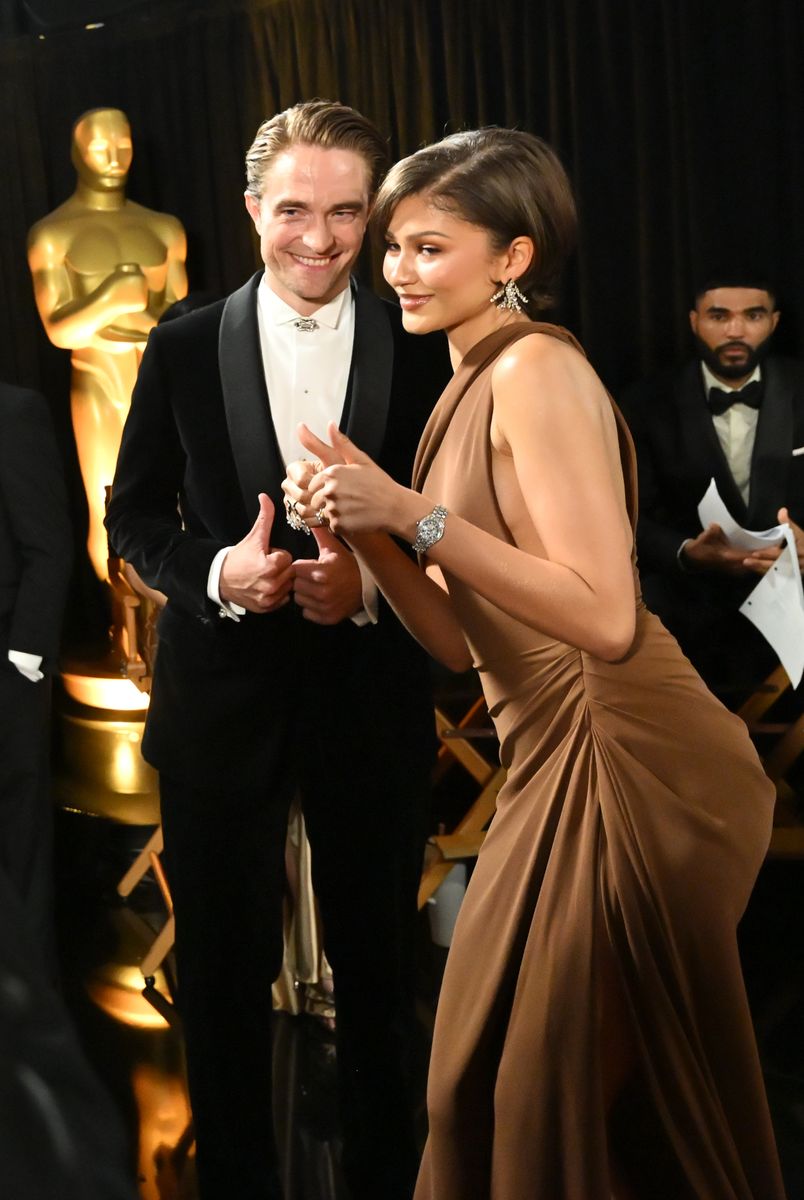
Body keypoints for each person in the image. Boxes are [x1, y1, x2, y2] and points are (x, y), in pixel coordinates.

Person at [284, 129, 786, 1198]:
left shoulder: (538, 371)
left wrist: (408, 512)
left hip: (635, 766)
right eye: (395, 246)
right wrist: (365, 525)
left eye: (429, 248)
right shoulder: (467, 380)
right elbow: (462, 642)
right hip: (547, 763)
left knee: (547, 1106)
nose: (398, 270)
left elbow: (604, 618)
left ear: (512, 258)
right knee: (482, 1092)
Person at [105, 100, 449, 1200]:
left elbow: (461, 521)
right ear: (253, 208)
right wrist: (219, 574)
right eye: (295, 209)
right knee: (217, 981)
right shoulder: (180, 343)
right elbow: (133, 518)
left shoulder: (424, 341)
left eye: (346, 212)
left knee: (382, 976)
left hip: (372, 701)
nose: (321, 237)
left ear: (373, 215)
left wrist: (373, 583)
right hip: (219, 705)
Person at [621, 277, 804, 699]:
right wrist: (686, 551)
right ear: (694, 321)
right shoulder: (646, 402)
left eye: (753, 315)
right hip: (687, 594)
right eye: (719, 316)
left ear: (774, 322)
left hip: (793, 586)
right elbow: (628, 514)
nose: (735, 331)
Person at [28, 107, 187, 582]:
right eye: (101, 147)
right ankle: (126, 617)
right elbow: (60, 331)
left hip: (159, 378)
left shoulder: (163, 228)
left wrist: (114, 313)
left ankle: (175, 608)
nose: (115, 158)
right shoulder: (53, 235)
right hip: (99, 379)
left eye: (124, 145)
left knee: (179, 499)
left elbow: (181, 323)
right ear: (78, 153)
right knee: (109, 504)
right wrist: (111, 297)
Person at [0, 382, 72, 973]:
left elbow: (49, 547)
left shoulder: (13, 412)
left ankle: (30, 985)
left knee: (16, 829)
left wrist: (24, 662)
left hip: (7, 663)